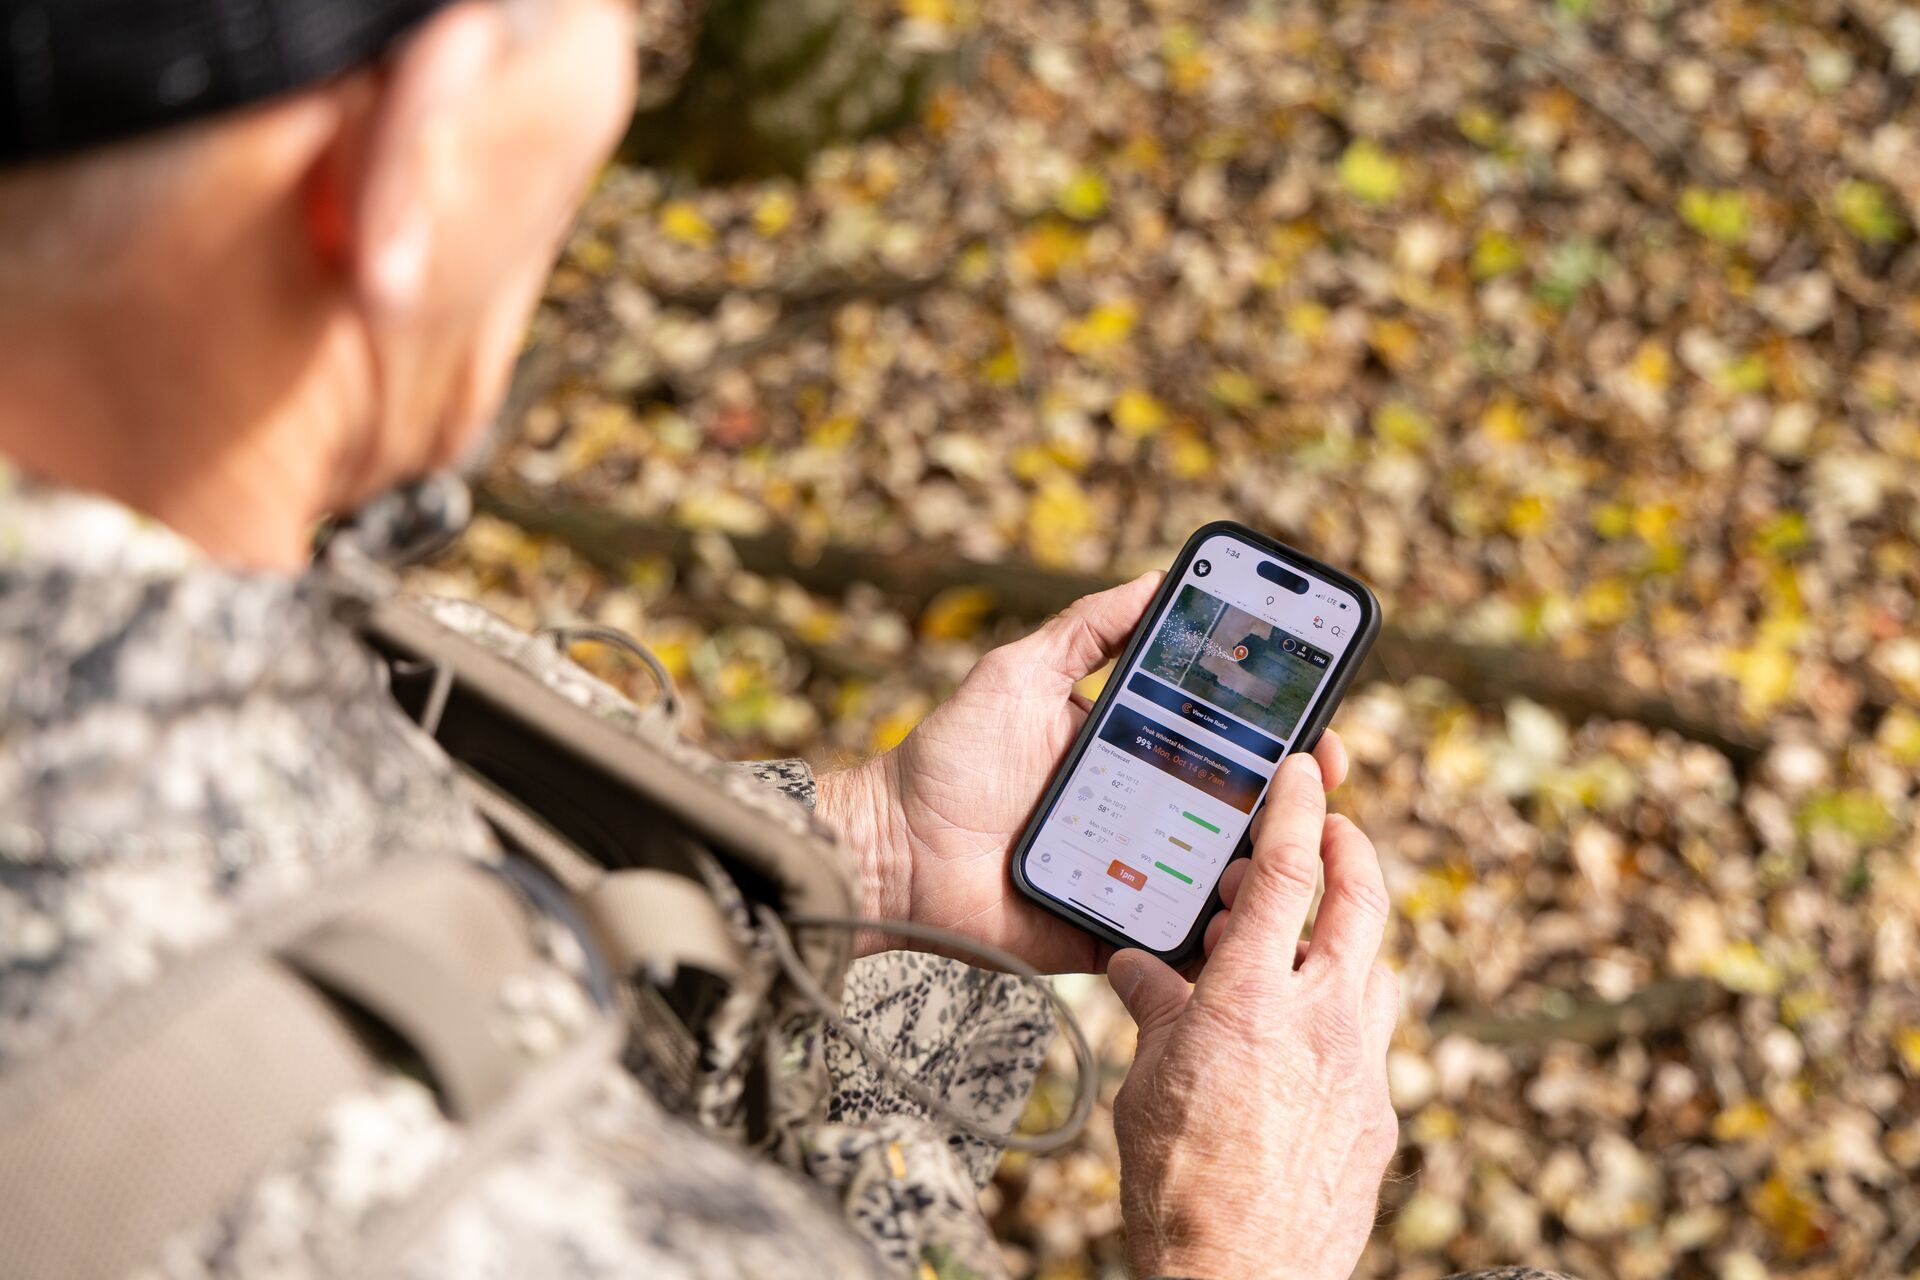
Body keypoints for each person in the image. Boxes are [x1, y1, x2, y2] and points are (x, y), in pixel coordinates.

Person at [0, 2, 1556, 1277]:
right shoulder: (500, 1234)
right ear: (413, 163)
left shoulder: (187, 650)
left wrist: (871, 873)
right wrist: (1236, 1242)